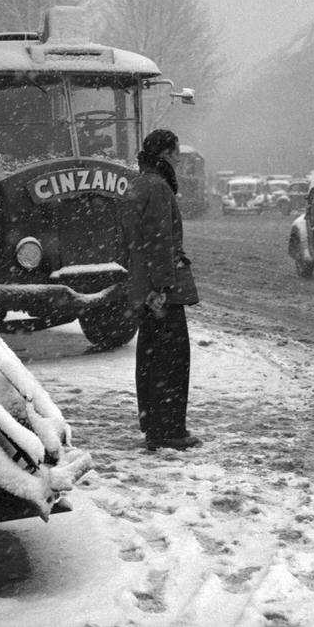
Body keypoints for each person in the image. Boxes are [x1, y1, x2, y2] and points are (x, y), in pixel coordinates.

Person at [119, 128, 201, 451]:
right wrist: (163, 287)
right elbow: (160, 241)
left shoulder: (137, 184)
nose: (178, 161)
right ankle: (169, 429)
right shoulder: (158, 188)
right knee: (173, 360)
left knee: (151, 358)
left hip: (143, 285)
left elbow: (133, 241)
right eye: (176, 154)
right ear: (166, 154)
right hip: (161, 292)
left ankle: (153, 423)